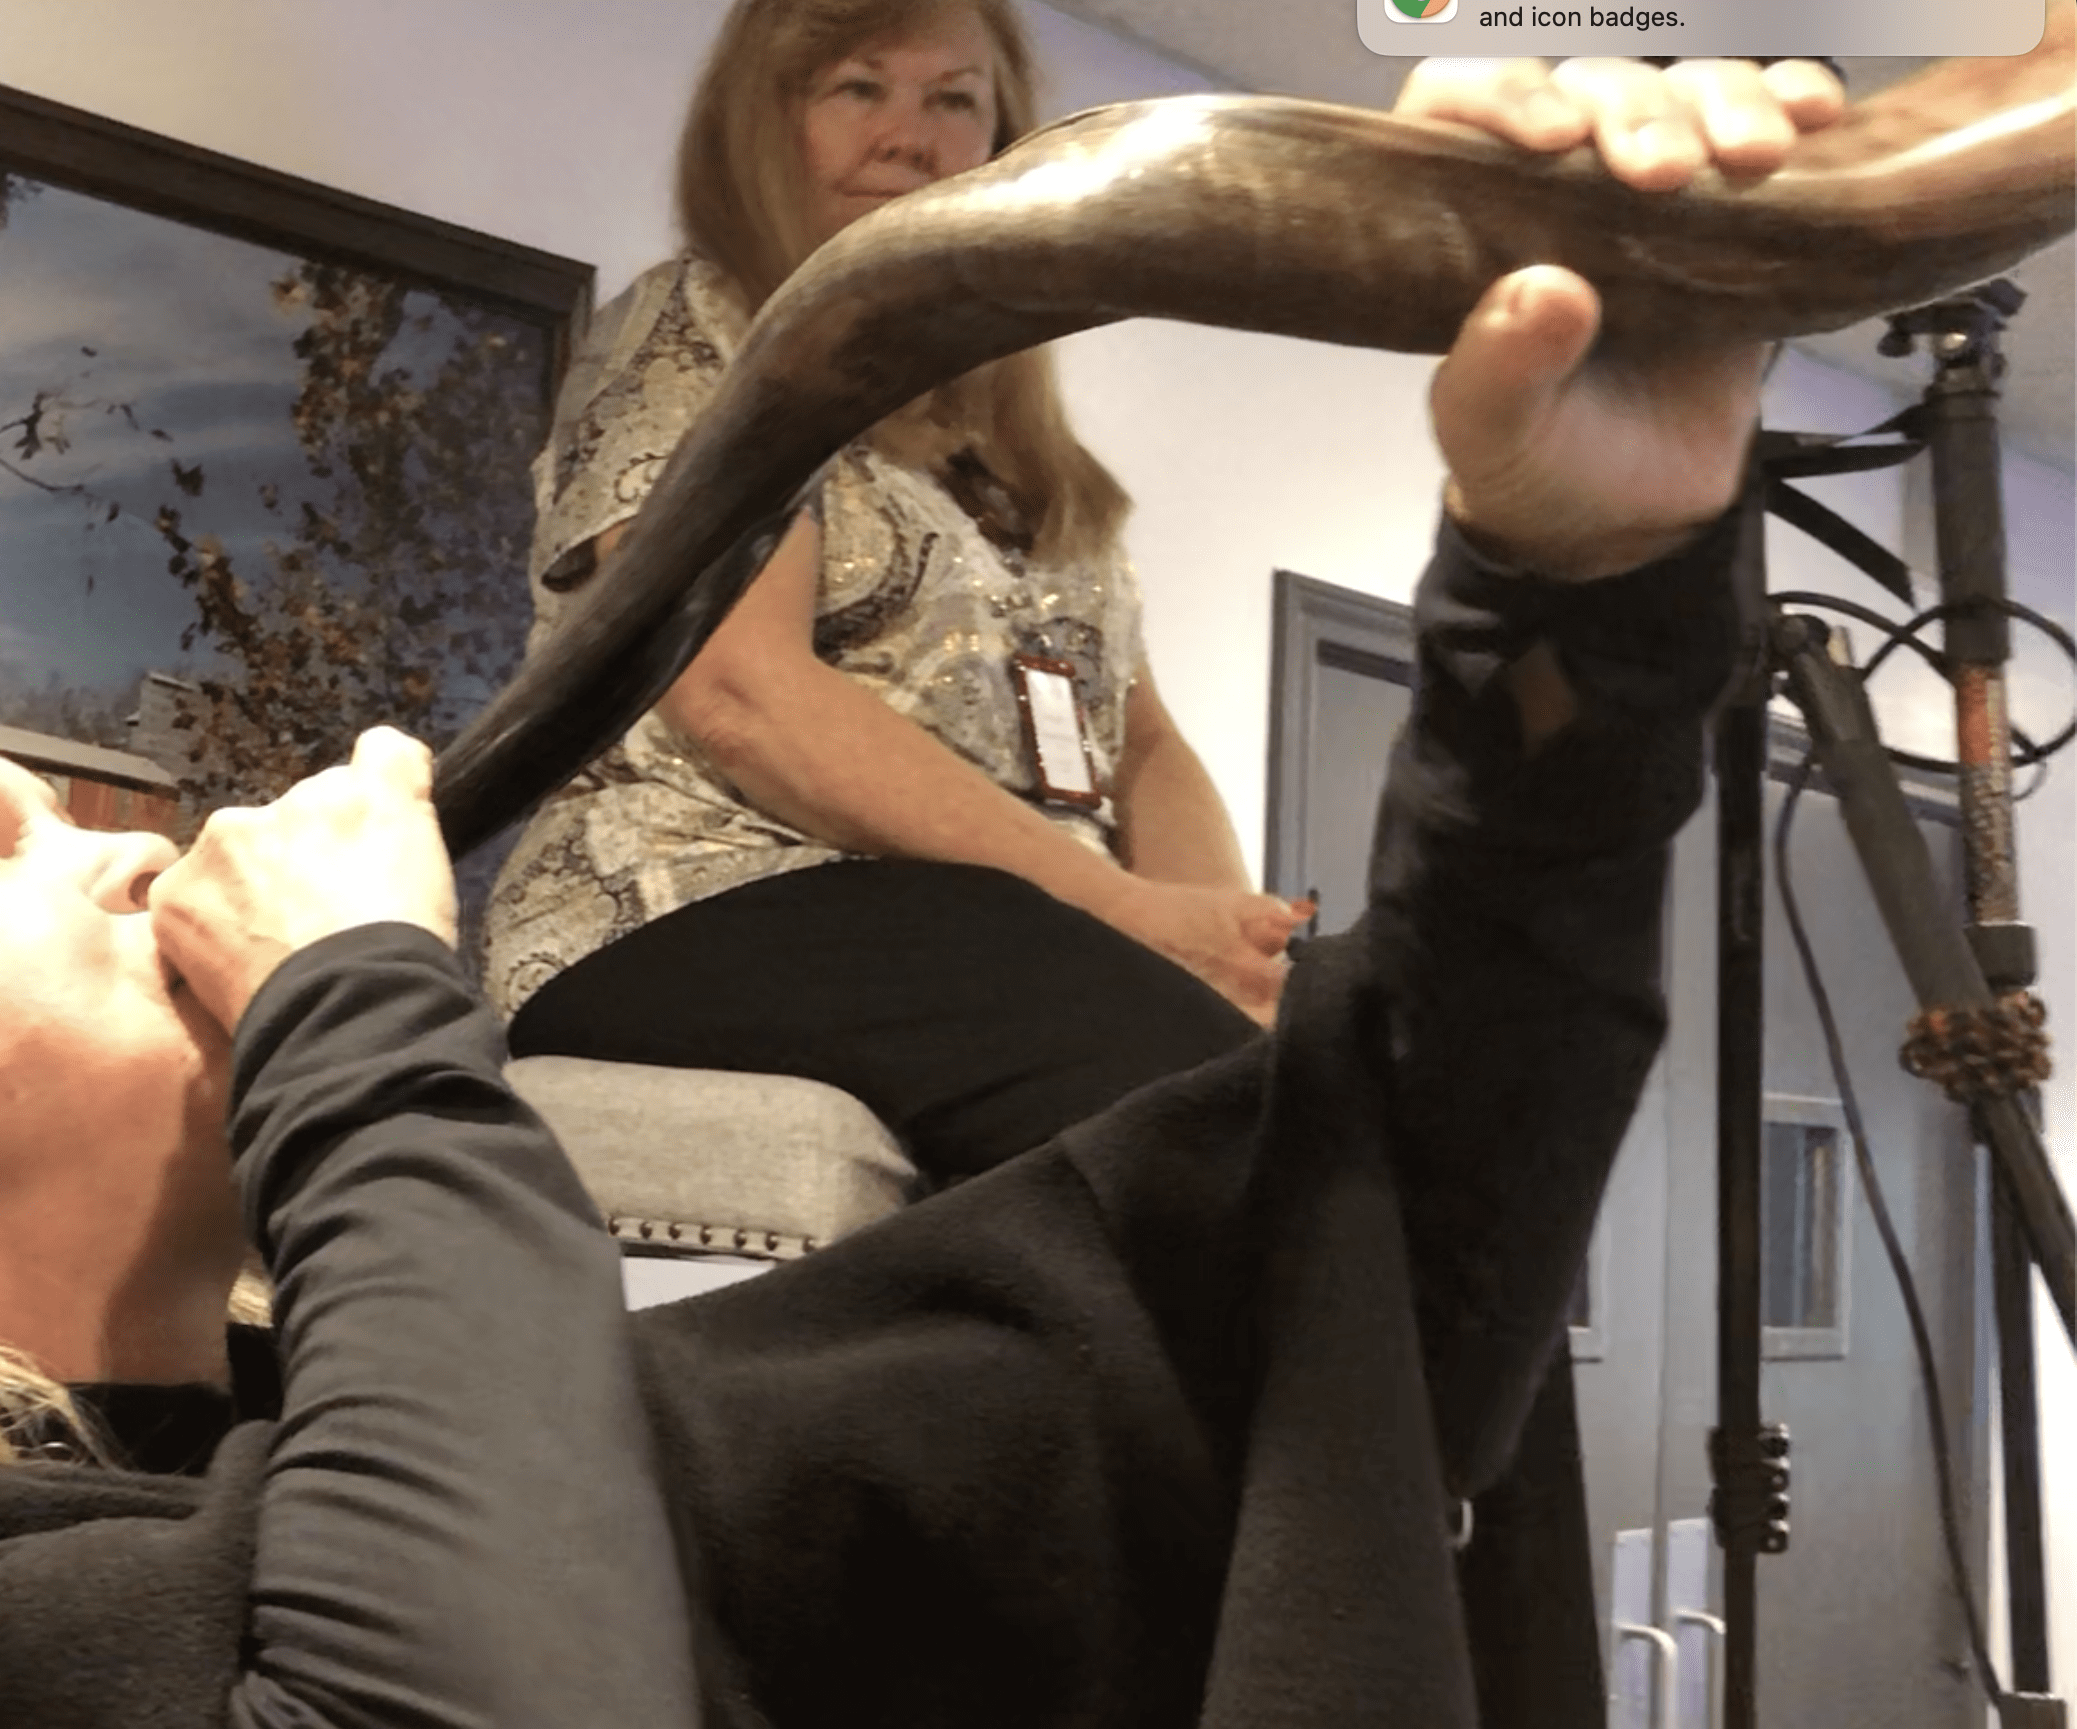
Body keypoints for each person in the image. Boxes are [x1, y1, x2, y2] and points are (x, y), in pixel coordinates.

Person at [0, 50, 1838, 1729]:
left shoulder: (441, 1473)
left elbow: (1356, 1256)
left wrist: (1575, 597)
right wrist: (371, 1019)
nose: (132, 841)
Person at [480, 0, 1828, 1188]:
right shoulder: (693, 326)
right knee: (1221, 1132)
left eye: (956, 100)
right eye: (858, 88)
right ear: (760, 125)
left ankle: (1441, 1488)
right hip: (687, 903)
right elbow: (741, 694)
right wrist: (1122, 913)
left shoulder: (1015, 445)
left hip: (988, 918)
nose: (912, 136)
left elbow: (1145, 743)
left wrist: (1231, 954)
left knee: (1369, 1111)